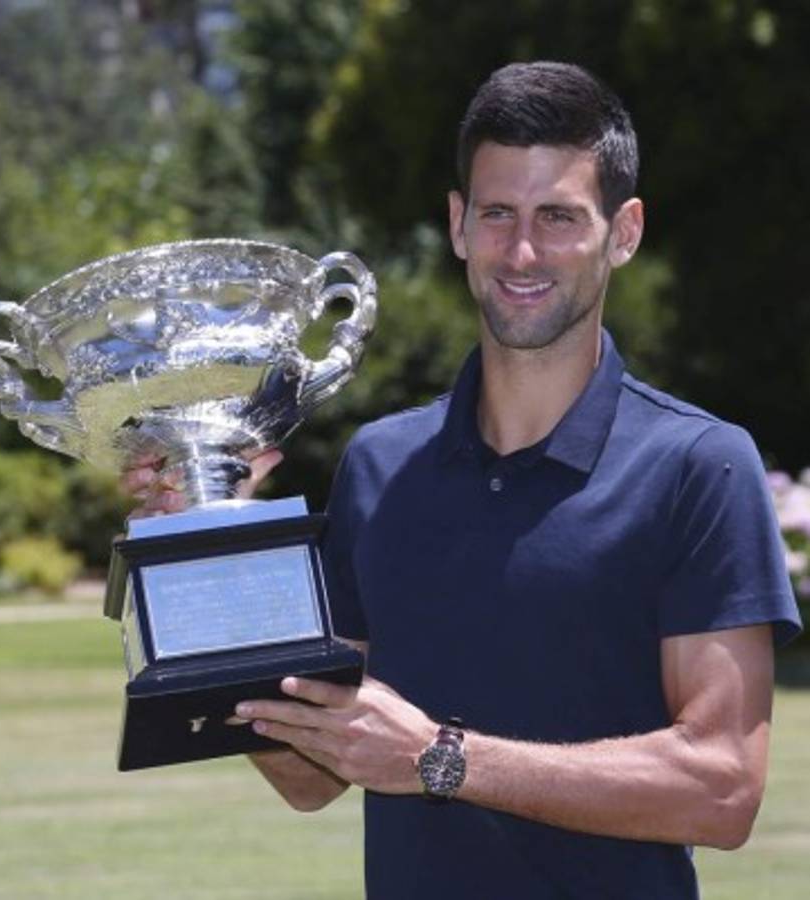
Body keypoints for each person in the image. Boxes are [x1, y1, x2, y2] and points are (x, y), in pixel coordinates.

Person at [124, 62, 802, 899]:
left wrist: (442, 759)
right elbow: (309, 776)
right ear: (456, 223)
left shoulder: (699, 465)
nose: (521, 251)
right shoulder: (380, 465)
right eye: (496, 215)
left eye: (557, 216)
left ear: (622, 233)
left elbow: (722, 787)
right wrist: (212, 553)